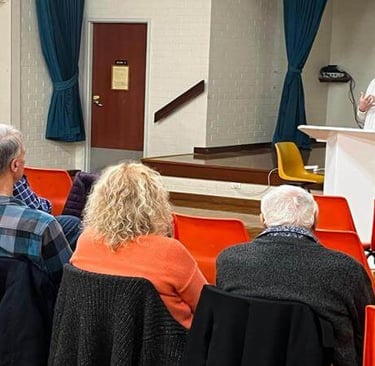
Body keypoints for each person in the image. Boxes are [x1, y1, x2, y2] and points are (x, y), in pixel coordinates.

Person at [216, 185, 375, 366]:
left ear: (262, 219)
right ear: (315, 219)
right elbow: (367, 329)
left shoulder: (229, 260)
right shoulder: (345, 269)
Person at [71, 162, 207, 329]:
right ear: (157, 203)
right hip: (170, 349)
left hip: (100, 345)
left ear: (100, 201)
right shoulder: (169, 251)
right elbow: (208, 307)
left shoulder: (85, 241)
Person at [0, 124, 72, 286]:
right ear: (15, 165)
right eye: (23, 156)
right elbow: (66, 285)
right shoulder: (41, 225)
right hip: (24, 309)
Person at [13, 175, 82, 250]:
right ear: (15, 165)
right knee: (74, 224)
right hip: (23, 229)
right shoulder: (14, 178)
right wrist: (47, 204)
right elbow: (37, 212)